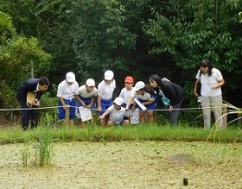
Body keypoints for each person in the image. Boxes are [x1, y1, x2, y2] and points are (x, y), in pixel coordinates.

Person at [194, 59, 225, 129]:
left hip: (216, 95)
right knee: (206, 114)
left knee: (217, 113)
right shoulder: (200, 72)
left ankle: (220, 130)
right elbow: (197, 82)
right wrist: (195, 91)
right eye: (202, 67)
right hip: (204, 95)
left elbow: (222, 81)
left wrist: (216, 86)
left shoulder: (216, 72)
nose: (203, 69)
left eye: (205, 67)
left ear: (209, 67)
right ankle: (207, 130)